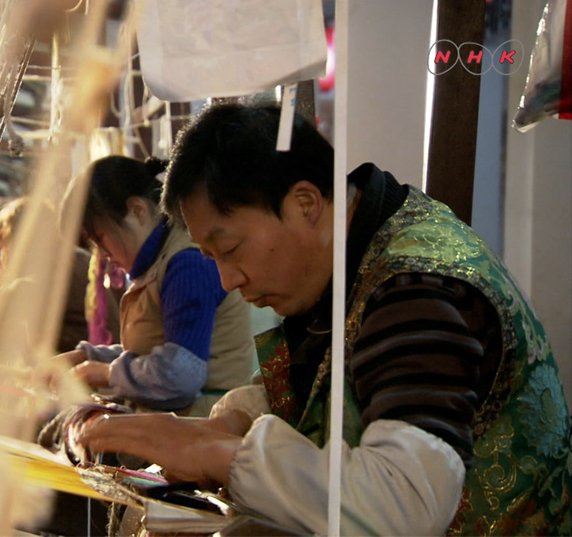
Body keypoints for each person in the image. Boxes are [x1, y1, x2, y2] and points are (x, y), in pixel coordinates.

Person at [75, 104, 571, 535]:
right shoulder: (350, 250)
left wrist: (220, 455)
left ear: (306, 203)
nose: (226, 280)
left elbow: (405, 504)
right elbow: (331, 375)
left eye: (228, 249)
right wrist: (232, 420)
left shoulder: (413, 291)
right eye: (211, 258)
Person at [54, 155, 256, 417]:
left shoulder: (187, 264)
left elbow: (181, 376)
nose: (101, 254)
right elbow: (148, 353)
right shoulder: (158, 264)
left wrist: (105, 373)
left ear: (137, 210)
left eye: (102, 238)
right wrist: (86, 358)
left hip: (203, 428)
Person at [0, 197, 121, 354]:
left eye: (2, 245)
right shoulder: (75, 259)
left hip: (90, 370)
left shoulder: (59, 266)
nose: (2, 256)